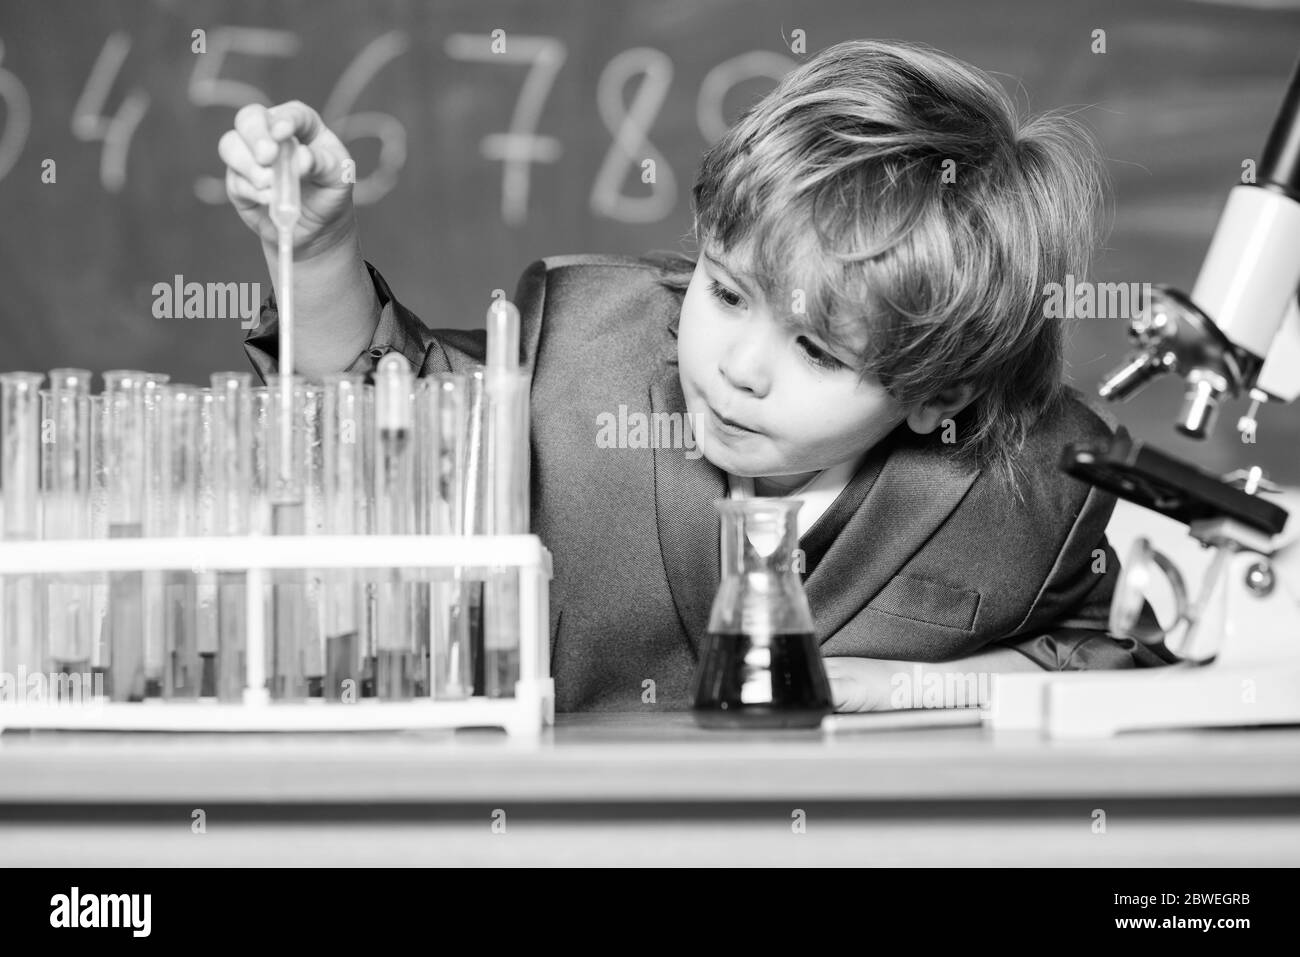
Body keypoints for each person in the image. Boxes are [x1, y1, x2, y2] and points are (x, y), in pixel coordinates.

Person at [221, 38, 1178, 714]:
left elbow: (1124, 653)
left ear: (942, 395)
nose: (739, 366)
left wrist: (919, 684)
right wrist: (315, 259)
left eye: (816, 353)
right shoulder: (580, 343)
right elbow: (387, 410)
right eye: (725, 293)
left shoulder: (1034, 479)